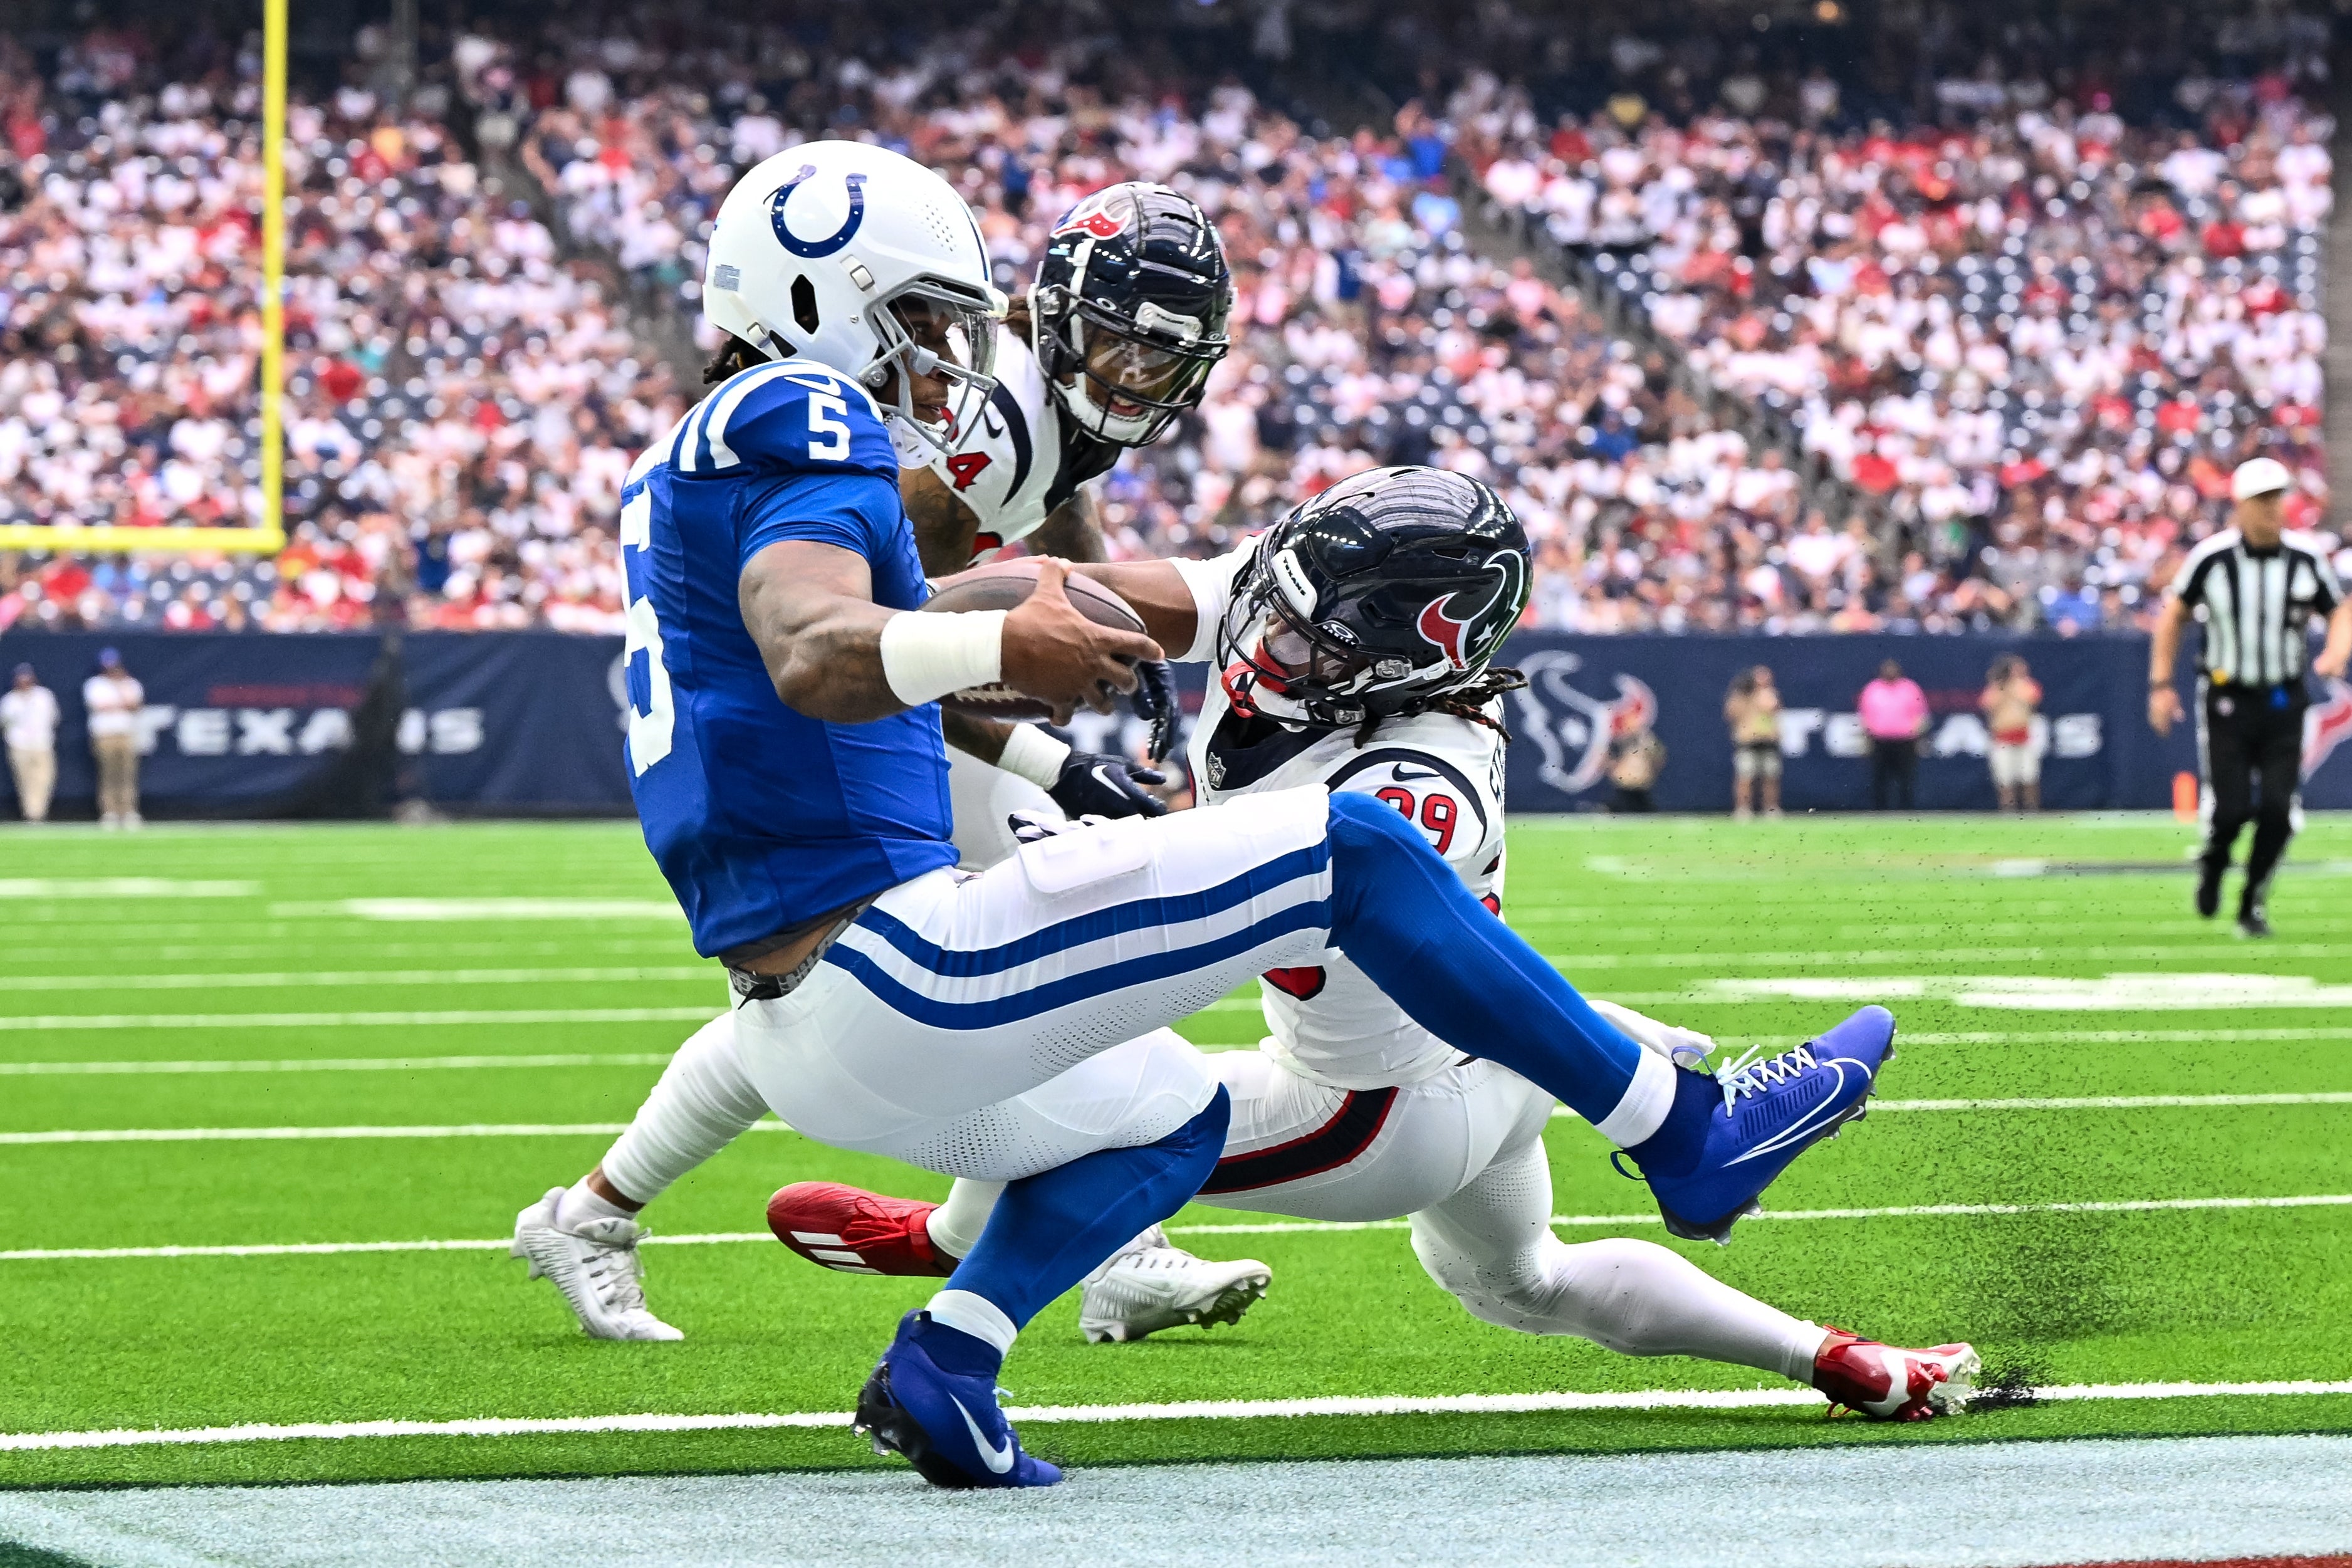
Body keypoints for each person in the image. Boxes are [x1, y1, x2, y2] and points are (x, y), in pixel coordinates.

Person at [511, 142, 1895, 1492]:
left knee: (1173, 1109)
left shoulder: (688, 467)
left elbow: (896, 630)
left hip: (808, 1020)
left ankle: (950, 1357)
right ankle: (1681, 1134)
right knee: (1349, 855)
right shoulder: (798, 410)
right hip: (900, 969)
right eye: (924, 316)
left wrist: (1019, 654)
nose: (949, 350)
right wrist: (1004, 657)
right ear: (818, 297)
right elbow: (822, 649)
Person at [769, 468, 1975, 1421]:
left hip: (1377, 1110)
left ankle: (937, 1247)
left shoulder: (1423, 772)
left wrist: (1079, 827)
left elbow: (1293, 889)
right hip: (1496, 1066)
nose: (1264, 646)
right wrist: (898, 618)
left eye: (1311, 641)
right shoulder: (1301, 604)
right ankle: (1842, 1358)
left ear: (1409, 661)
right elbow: (1069, 586)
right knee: (1526, 1281)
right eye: (1275, 605)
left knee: (1106, 1111)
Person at [899, 180, 1231, 872]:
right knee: (1036, 869)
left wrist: (1123, 623)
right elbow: (891, 645)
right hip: (787, 673)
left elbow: (1056, 492)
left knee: (1048, 867)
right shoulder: (990, 420)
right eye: (1117, 348)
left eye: (1162, 363)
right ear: (1061, 318)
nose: (1134, 381)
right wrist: (1055, 764)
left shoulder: (1050, 394)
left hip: (839, 658)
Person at [2150, 456, 2352, 937]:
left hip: (2284, 700)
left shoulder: (2305, 558)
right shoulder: (2211, 558)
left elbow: (2338, 611)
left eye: (2277, 498)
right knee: (2230, 809)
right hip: (2227, 700)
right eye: (2261, 500)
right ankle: (2214, 862)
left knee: (2280, 812)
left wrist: (2336, 652)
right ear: (2239, 506)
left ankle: (2251, 898)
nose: (2271, 509)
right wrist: (2160, 685)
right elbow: (2173, 615)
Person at [82, 647, 144, 828]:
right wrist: (121, 704)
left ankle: (129, 811)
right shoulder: (95, 684)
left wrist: (120, 690)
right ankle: (109, 812)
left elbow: (135, 705)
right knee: (108, 774)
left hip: (126, 733)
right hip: (104, 735)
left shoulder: (130, 683)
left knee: (128, 774)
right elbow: (100, 706)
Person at [1858, 658, 1926, 810]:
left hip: (1905, 741)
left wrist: (1916, 734)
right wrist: (1868, 735)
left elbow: (1920, 715)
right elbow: (1865, 715)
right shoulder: (1873, 689)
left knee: (1906, 778)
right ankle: (1880, 810)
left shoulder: (1910, 688)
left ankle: (1906, 810)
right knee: (1880, 778)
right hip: (1880, 740)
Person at [1980, 655, 2043, 812]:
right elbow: (1986, 704)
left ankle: (2031, 810)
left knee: (2029, 776)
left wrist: (2014, 686)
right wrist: (2000, 686)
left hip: (2024, 738)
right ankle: (2008, 811)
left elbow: (2033, 699)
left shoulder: (2025, 686)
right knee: (2004, 779)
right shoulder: (1996, 688)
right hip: (2002, 739)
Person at [1, 664, 60, 823]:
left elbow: (54, 718)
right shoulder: (10, 700)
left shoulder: (44, 696)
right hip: (19, 745)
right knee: (25, 781)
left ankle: (39, 811)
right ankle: (32, 814)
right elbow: (4, 722)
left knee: (45, 778)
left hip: (42, 744)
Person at [1724, 664, 1782, 819]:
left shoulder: (1771, 695)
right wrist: (1746, 697)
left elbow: (1774, 710)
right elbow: (1731, 713)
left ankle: (1771, 809)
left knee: (1771, 777)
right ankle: (1743, 809)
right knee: (1745, 777)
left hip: (1768, 741)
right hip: (1748, 742)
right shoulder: (1741, 696)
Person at [1607, 708, 1665, 813]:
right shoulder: (1620, 741)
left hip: (1641, 788)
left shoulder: (1647, 741)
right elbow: (1607, 758)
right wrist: (1615, 772)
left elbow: (1659, 756)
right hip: (1624, 787)